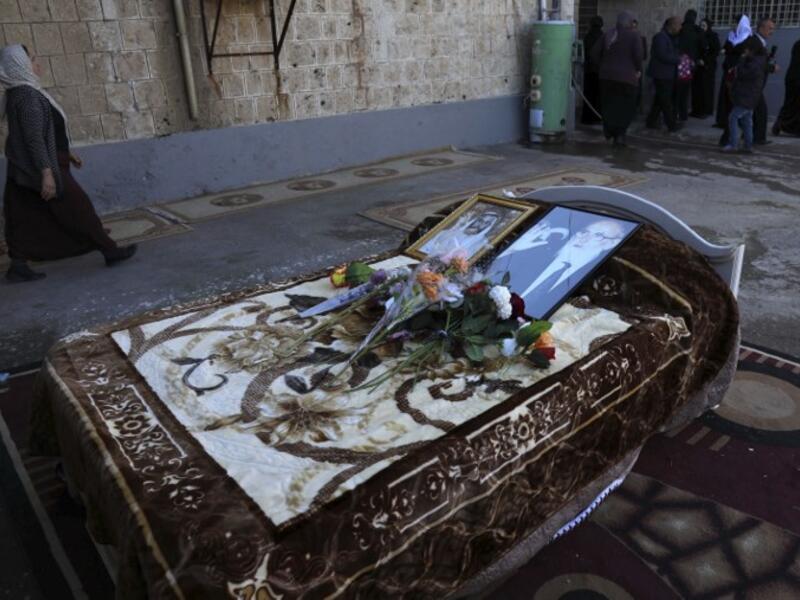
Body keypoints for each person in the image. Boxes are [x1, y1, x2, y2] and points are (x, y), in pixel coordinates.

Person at [1, 44, 136, 283]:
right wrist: (47, 172)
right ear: (20, 65)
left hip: (25, 167)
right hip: (41, 168)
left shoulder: (18, 93)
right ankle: (109, 250)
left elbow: (44, 133)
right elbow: (33, 139)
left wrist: (66, 152)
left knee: (20, 215)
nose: (38, 64)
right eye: (33, 60)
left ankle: (18, 264)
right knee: (79, 207)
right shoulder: (28, 96)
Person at [517, 219, 628, 318]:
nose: (583, 238)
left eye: (598, 235)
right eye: (584, 231)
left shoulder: (601, 277)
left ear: (612, 243)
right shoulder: (539, 250)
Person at [591, 11, 643, 147]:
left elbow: (594, 53)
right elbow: (638, 56)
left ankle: (610, 132)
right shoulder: (634, 36)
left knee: (609, 106)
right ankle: (620, 135)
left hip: (607, 77)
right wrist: (638, 70)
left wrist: (602, 67)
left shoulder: (607, 34)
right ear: (630, 23)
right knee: (626, 107)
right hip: (627, 78)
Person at [722, 37, 766, 154]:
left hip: (746, 96)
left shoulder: (753, 63)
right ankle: (748, 145)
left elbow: (742, 73)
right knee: (747, 121)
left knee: (733, 117)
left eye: (746, 49)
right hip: (749, 96)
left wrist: (740, 62)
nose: (744, 52)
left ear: (752, 49)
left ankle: (734, 144)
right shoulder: (758, 61)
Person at [717, 15, 751, 145]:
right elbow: (727, 48)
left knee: (735, 104)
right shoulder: (732, 35)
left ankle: (731, 136)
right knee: (727, 101)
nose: (733, 25)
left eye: (735, 23)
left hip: (738, 74)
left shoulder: (747, 38)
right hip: (728, 72)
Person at [646, 17, 682, 132]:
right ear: (672, 25)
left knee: (659, 99)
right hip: (661, 74)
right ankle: (671, 125)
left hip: (666, 74)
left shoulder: (669, 37)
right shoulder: (660, 37)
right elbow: (663, 55)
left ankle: (651, 121)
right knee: (666, 101)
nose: (680, 27)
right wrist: (678, 59)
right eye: (679, 25)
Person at [420, 210, 500, 259]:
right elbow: (427, 245)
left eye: (486, 223)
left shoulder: (481, 244)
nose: (479, 224)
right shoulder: (451, 231)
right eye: (480, 220)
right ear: (475, 219)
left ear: (488, 227)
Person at [750, 17, 780, 144]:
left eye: (773, 28)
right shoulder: (755, 42)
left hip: (755, 83)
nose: (771, 31)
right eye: (769, 28)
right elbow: (755, 63)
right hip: (752, 83)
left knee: (753, 112)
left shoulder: (760, 41)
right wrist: (771, 67)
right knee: (760, 111)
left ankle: (752, 136)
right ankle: (757, 138)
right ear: (761, 28)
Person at [676, 10, 703, 121]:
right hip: (690, 63)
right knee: (685, 91)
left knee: (678, 90)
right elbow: (703, 45)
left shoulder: (681, 29)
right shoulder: (697, 30)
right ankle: (682, 114)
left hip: (679, 61)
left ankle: (677, 113)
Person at [691, 18, 721, 117]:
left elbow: (715, 51)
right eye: (701, 25)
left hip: (708, 67)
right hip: (698, 66)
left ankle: (705, 111)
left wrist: (706, 60)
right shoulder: (697, 36)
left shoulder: (713, 36)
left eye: (704, 26)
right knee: (696, 88)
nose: (702, 28)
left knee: (706, 89)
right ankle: (696, 110)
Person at [773, 40, 800, 136]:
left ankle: (780, 125)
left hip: (793, 78)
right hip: (796, 79)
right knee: (792, 104)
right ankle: (781, 125)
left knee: (791, 104)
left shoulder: (797, 43)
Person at [581, 16, 604, 125]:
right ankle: (596, 117)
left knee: (589, 94)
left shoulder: (588, 36)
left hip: (589, 69)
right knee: (598, 95)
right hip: (599, 70)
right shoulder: (602, 36)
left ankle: (587, 117)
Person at [632, 19, 648, 112]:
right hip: (629, 67)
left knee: (638, 88)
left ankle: (638, 107)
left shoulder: (641, 38)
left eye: (635, 27)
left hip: (637, 66)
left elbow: (644, 55)